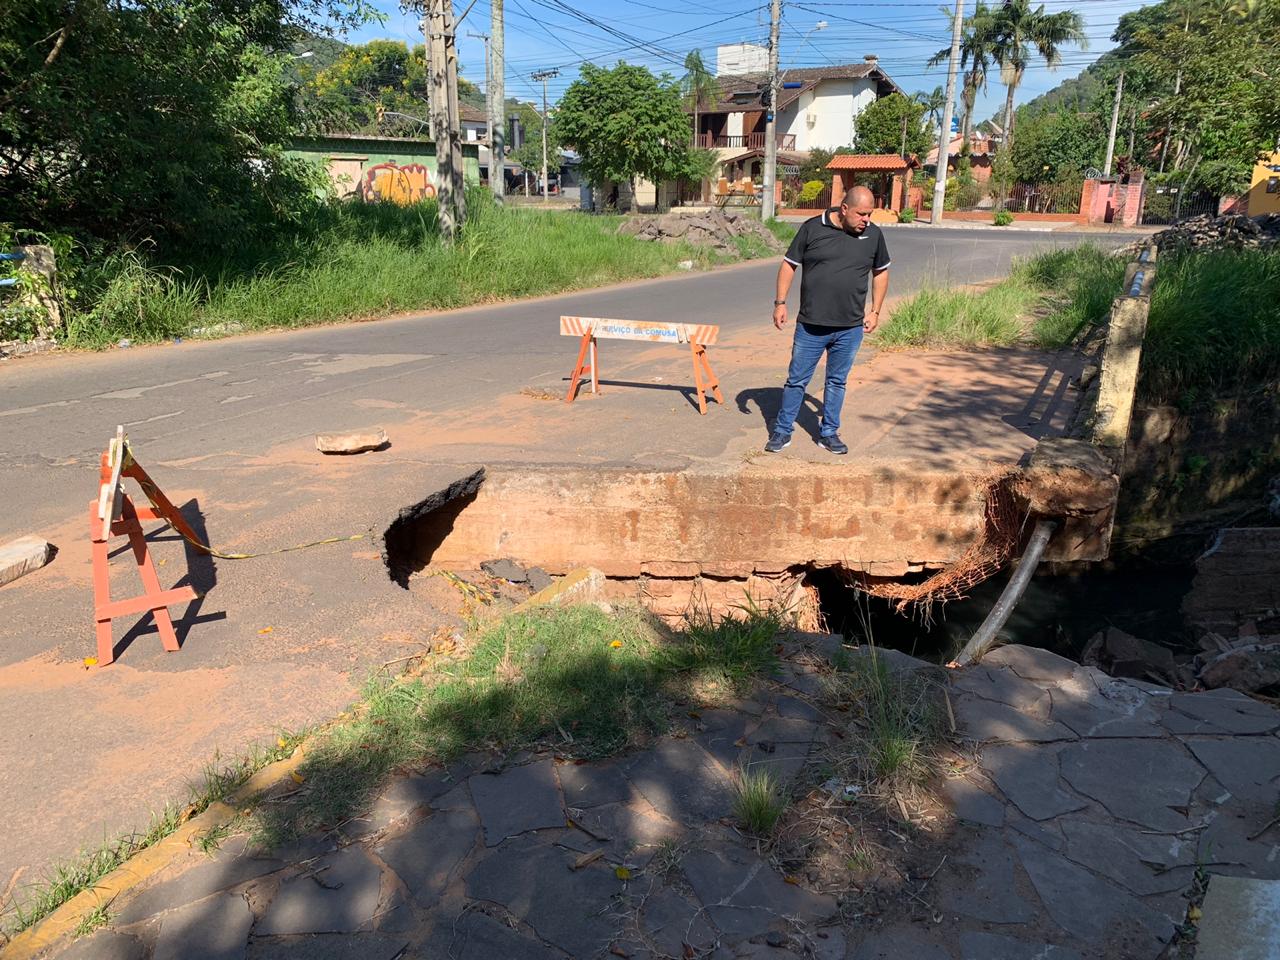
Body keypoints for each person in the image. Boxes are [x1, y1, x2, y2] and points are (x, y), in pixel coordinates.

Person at [766, 185, 890, 454]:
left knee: (836, 382)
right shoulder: (813, 228)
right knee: (797, 380)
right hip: (811, 326)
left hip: (850, 328)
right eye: (861, 214)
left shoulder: (874, 235)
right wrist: (780, 302)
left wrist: (876, 310)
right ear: (844, 209)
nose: (866, 220)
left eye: (869, 215)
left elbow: (880, 272)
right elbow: (789, 264)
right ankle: (782, 430)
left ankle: (829, 432)